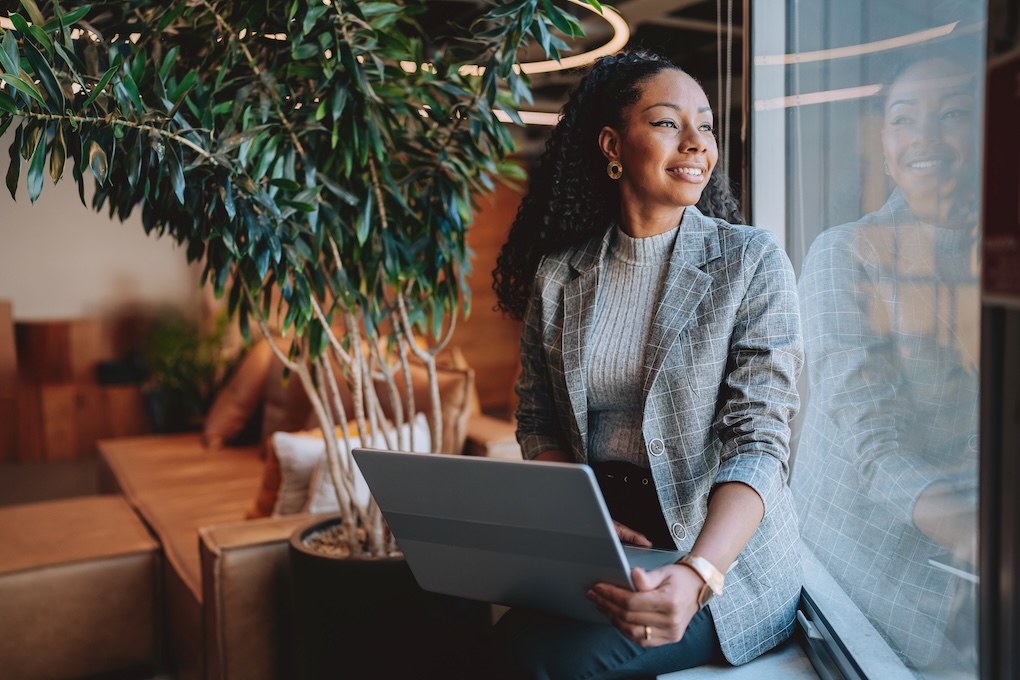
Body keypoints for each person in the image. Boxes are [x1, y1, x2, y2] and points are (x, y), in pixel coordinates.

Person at [490, 50, 804, 679]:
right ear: (613, 144)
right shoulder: (561, 275)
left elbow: (760, 441)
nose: (696, 143)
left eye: (707, 126)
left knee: (555, 666)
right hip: (604, 543)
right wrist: (587, 522)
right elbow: (540, 421)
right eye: (667, 124)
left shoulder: (750, 262)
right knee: (497, 647)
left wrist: (696, 575)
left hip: (718, 558)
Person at [794, 49, 981, 672]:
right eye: (904, 119)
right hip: (867, 576)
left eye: (952, 113)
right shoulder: (845, 255)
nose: (925, 135)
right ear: (883, 147)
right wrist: (985, 538)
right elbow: (876, 451)